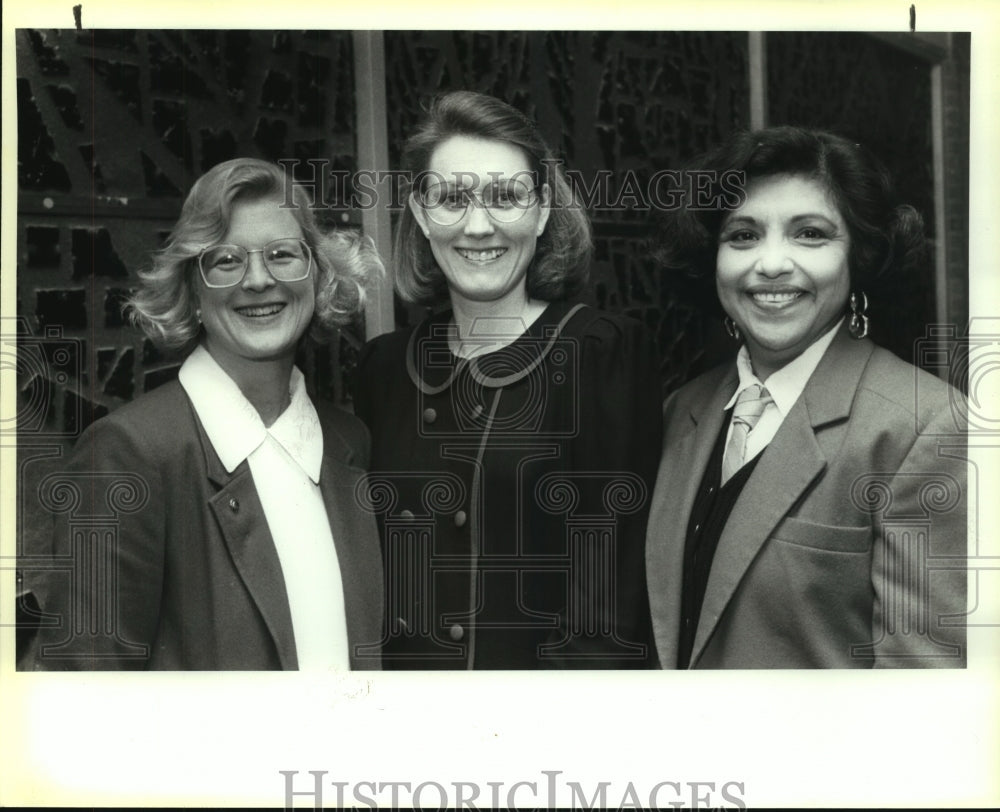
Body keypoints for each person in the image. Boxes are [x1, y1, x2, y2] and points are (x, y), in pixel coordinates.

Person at [26, 158, 384, 670]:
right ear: (193, 290)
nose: (259, 280)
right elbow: (85, 698)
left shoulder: (350, 443)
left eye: (283, 254)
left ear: (318, 275)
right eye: (226, 260)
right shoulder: (128, 453)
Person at [354, 90, 662, 669]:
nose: (477, 226)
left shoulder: (601, 353)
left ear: (542, 211)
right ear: (420, 214)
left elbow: (612, 598)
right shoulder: (383, 370)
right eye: (451, 199)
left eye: (505, 197)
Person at [646, 126, 967, 668]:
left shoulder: (927, 427)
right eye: (743, 235)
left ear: (857, 257)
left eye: (810, 234)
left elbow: (922, 688)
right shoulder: (683, 409)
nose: (771, 263)